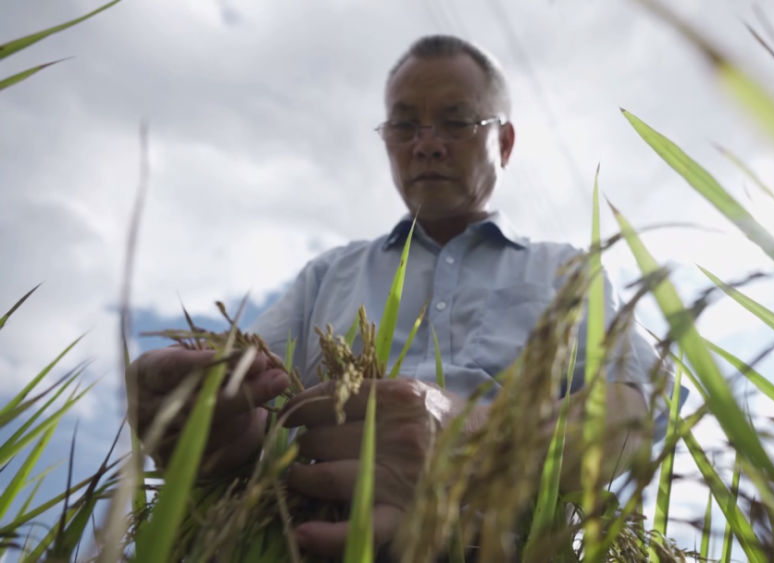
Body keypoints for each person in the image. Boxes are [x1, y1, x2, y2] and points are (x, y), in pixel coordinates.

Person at [126, 34, 688, 561]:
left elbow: (633, 411)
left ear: (505, 142)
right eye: (403, 125)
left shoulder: (566, 270)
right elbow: (255, 412)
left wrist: (474, 439)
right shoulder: (329, 275)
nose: (426, 145)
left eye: (456, 121)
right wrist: (201, 422)